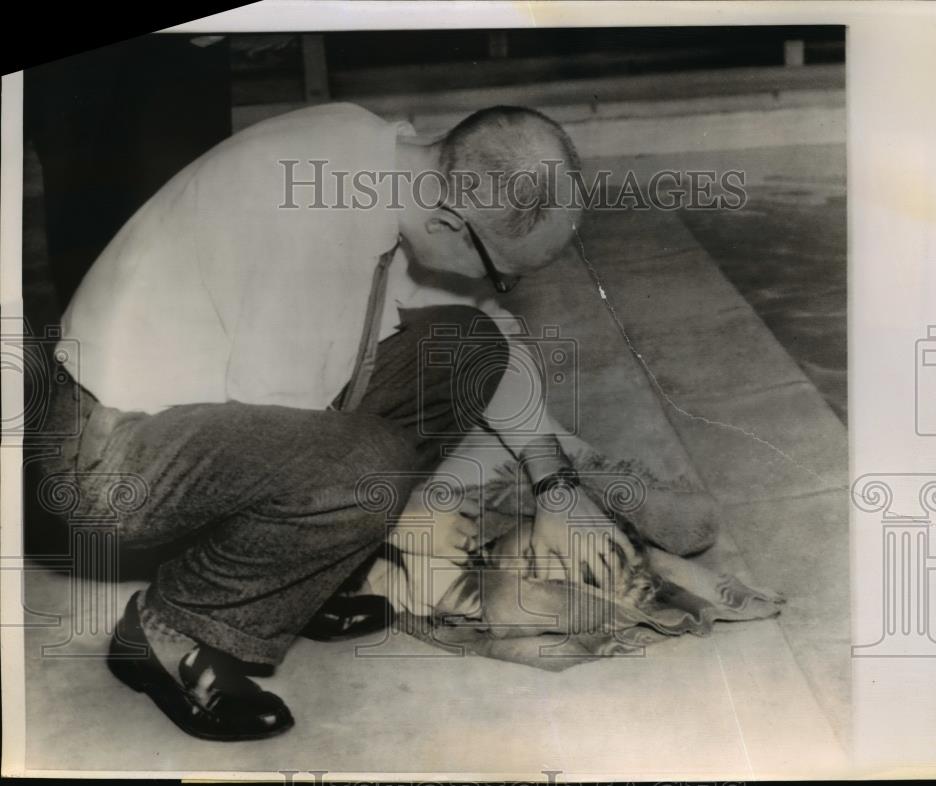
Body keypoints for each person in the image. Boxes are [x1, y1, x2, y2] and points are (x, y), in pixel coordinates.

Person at [39, 103, 641, 741]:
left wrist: (558, 489)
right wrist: (414, 525)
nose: (501, 287)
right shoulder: (306, 231)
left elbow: (494, 332)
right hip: (105, 454)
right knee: (365, 467)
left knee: (469, 347)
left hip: (198, 413)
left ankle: (296, 581)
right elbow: (295, 434)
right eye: (505, 274)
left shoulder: (385, 166)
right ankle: (167, 628)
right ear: (449, 223)